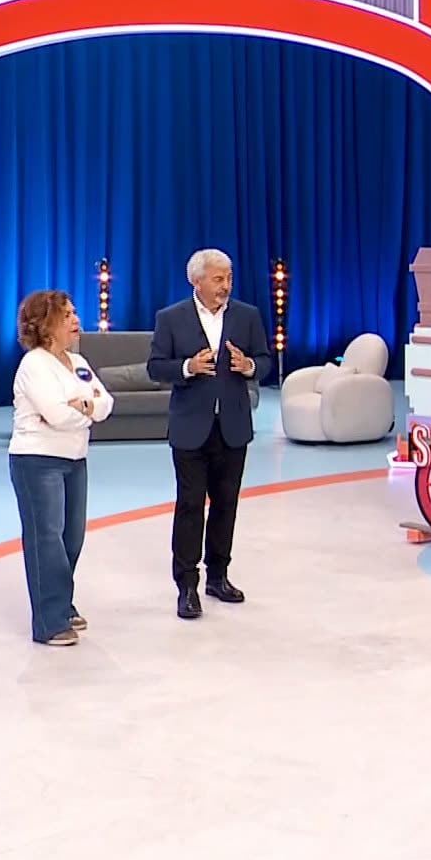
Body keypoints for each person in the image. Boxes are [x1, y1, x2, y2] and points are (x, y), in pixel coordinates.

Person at [146, 248, 272, 620]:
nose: (225, 286)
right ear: (196, 280)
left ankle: (218, 576)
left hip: (233, 427)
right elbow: (155, 367)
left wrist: (250, 366)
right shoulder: (171, 318)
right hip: (190, 427)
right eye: (218, 279)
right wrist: (188, 366)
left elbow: (265, 360)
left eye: (228, 278)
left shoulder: (247, 316)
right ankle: (187, 586)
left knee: (225, 504)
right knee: (190, 506)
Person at [8, 289, 114, 646]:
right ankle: (49, 622)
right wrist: (86, 409)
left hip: (74, 459)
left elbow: (106, 403)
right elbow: (56, 414)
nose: (76, 320)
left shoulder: (78, 362)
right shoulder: (34, 365)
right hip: (37, 461)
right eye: (67, 315)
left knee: (71, 538)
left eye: (74, 313)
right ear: (46, 323)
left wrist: (82, 406)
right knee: (46, 539)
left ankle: (62, 605)